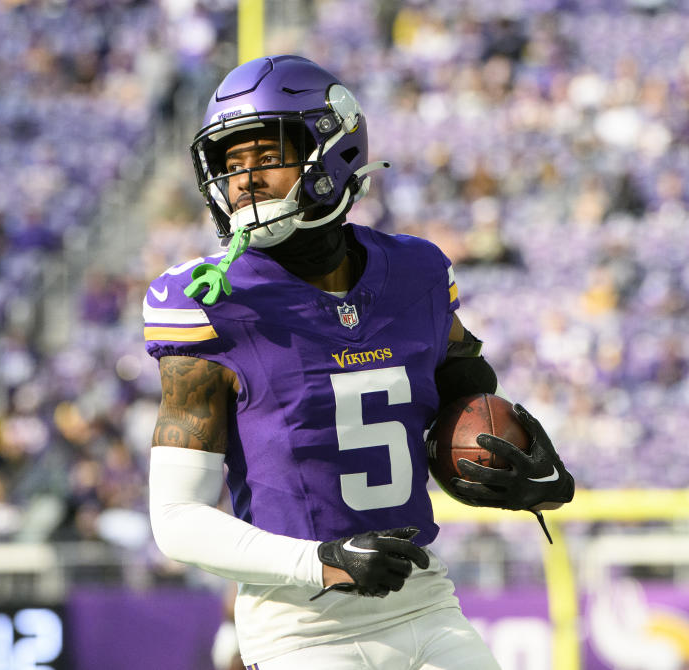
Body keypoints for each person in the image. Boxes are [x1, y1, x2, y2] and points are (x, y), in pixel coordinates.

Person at [144, 55, 574, 670]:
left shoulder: (417, 273)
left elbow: (468, 400)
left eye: (266, 155)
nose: (244, 180)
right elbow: (176, 519)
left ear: (334, 149)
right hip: (301, 624)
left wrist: (526, 469)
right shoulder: (209, 302)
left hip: (424, 599)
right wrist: (320, 559)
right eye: (231, 164)